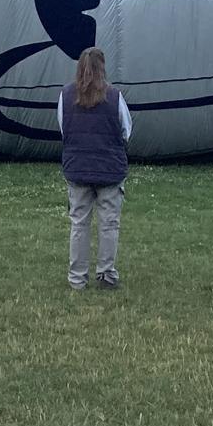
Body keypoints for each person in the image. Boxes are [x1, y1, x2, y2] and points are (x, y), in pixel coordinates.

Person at [57, 46, 130, 291]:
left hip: (77, 169)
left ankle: (77, 278)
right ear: (103, 68)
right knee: (109, 224)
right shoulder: (115, 96)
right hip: (109, 170)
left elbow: (63, 129)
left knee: (79, 223)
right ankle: (106, 275)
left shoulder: (65, 95)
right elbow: (126, 130)